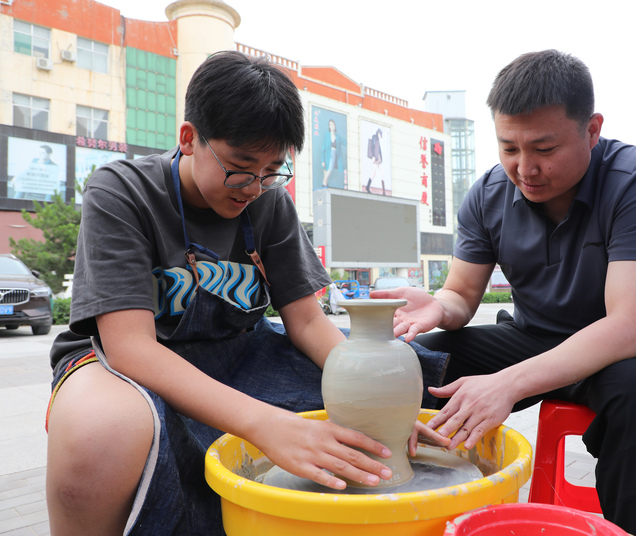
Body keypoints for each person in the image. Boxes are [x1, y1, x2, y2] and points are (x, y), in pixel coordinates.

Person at [45, 51, 448, 536]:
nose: (253, 187)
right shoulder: (122, 191)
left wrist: (380, 397)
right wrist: (266, 424)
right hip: (122, 361)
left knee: (383, 394)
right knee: (100, 431)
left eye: (272, 170)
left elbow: (306, 322)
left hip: (240, 354)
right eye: (240, 167)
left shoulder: (269, 202)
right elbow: (130, 346)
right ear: (189, 139)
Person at [373, 50, 636, 536]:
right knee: (409, 366)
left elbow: (628, 328)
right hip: (535, 337)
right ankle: (402, 509)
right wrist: (439, 306)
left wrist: (508, 384)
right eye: (509, 148)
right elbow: (461, 295)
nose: (525, 168)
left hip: (629, 351)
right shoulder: (486, 195)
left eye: (544, 149)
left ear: (592, 129)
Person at [321, 119, 343, 188]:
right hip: (327, 155)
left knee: (330, 168)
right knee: (326, 170)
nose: (332, 126)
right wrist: (322, 160)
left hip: (333, 154)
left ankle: (324, 184)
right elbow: (323, 148)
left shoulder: (337, 137)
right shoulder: (327, 135)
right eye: (330, 124)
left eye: (333, 124)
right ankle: (325, 184)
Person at [365, 128, 384, 195]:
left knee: (381, 173)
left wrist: (381, 158)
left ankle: (383, 190)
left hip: (378, 158)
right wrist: (373, 156)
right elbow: (372, 146)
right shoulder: (374, 137)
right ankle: (367, 186)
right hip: (375, 157)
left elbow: (379, 150)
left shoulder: (377, 140)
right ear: (378, 133)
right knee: (374, 172)